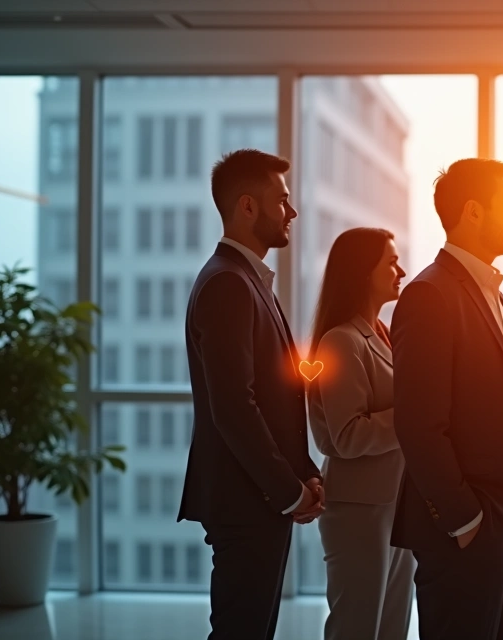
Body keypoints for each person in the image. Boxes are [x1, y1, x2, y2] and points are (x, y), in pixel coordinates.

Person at [390, 158, 503, 639]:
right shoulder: (428, 295)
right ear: (474, 212)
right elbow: (419, 425)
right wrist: (465, 519)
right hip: (470, 522)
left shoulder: (491, 292)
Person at [178, 149, 323, 640]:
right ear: (247, 207)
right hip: (247, 502)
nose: (292, 211)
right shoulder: (227, 284)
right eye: (282, 200)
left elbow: (273, 395)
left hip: (257, 498)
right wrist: (288, 492)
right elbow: (235, 409)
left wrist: (303, 473)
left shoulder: (247, 280)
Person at [306, 228, 413, 640]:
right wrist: (412, 416)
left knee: (392, 629)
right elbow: (347, 435)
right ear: (362, 272)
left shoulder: (383, 336)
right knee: (357, 627)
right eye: (390, 262)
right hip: (360, 511)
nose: (400, 270)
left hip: (394, 506)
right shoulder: (341, 342)